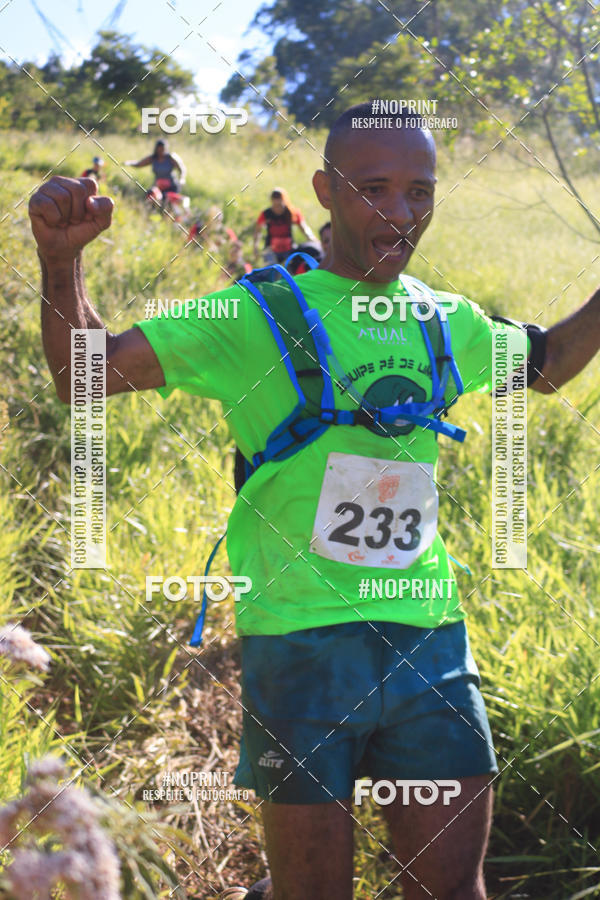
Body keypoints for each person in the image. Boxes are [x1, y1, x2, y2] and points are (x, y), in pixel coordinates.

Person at [29, 101, 600, 900]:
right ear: (325, 190)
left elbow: (546, 363)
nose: (401, 213)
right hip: (299, 649)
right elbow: (83, 377)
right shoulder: (251, 317)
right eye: (374, 189)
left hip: (428, 640)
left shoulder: (445, 320)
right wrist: (62, 262)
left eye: (421, 192)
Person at [253, 188, 316, 264]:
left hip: (289, 249)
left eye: (279, 205)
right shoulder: (266, 214)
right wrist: (255, 247)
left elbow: (303, 227)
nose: (277, 209)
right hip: (271, 249)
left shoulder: (291, 212)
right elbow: (257, 230)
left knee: (292, 267)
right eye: (275, 205)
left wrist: (312, 239)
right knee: (271, 268)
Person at [124, 139, 186, 211]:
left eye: (163, 149)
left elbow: (182, 169)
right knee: (150, 195)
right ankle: (150, 212)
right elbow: (139, 164)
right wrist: (129, 163)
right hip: (159, 186)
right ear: (156, 148)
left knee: (167, 203)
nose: (161, 151)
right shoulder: (153, 158)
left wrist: (182, 179)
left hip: (171, 186)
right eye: (159, 148)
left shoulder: (171, 157)